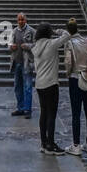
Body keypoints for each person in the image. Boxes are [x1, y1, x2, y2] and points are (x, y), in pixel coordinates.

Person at [28, 22, 69, 155]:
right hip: (51, 83)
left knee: (44, 113)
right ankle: (51, 144)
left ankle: (43, 143)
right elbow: (67, 35)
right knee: (52, 114)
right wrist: (57, 31)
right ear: (48, 33)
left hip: (39, 84)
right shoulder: (51, 44)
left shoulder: (35, 47)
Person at [62, 18, 87, 154]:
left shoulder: (69, 43)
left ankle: (76, 145)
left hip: (76, 79)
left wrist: (68, 73)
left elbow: (68, 62)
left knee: (76, 112)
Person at [9, 12, 35, 118]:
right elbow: (9, 43)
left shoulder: (32, 31)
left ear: (26, 20)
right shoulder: (14, 31)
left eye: (22, 19)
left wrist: (28, 46)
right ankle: (20, 108)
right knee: (17, 86)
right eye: (19, 20)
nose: (21, 21)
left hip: (27, 63)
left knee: (28, 87)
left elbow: (37, 44)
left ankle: (27, 109)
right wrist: (11, 46)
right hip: (17, 62)